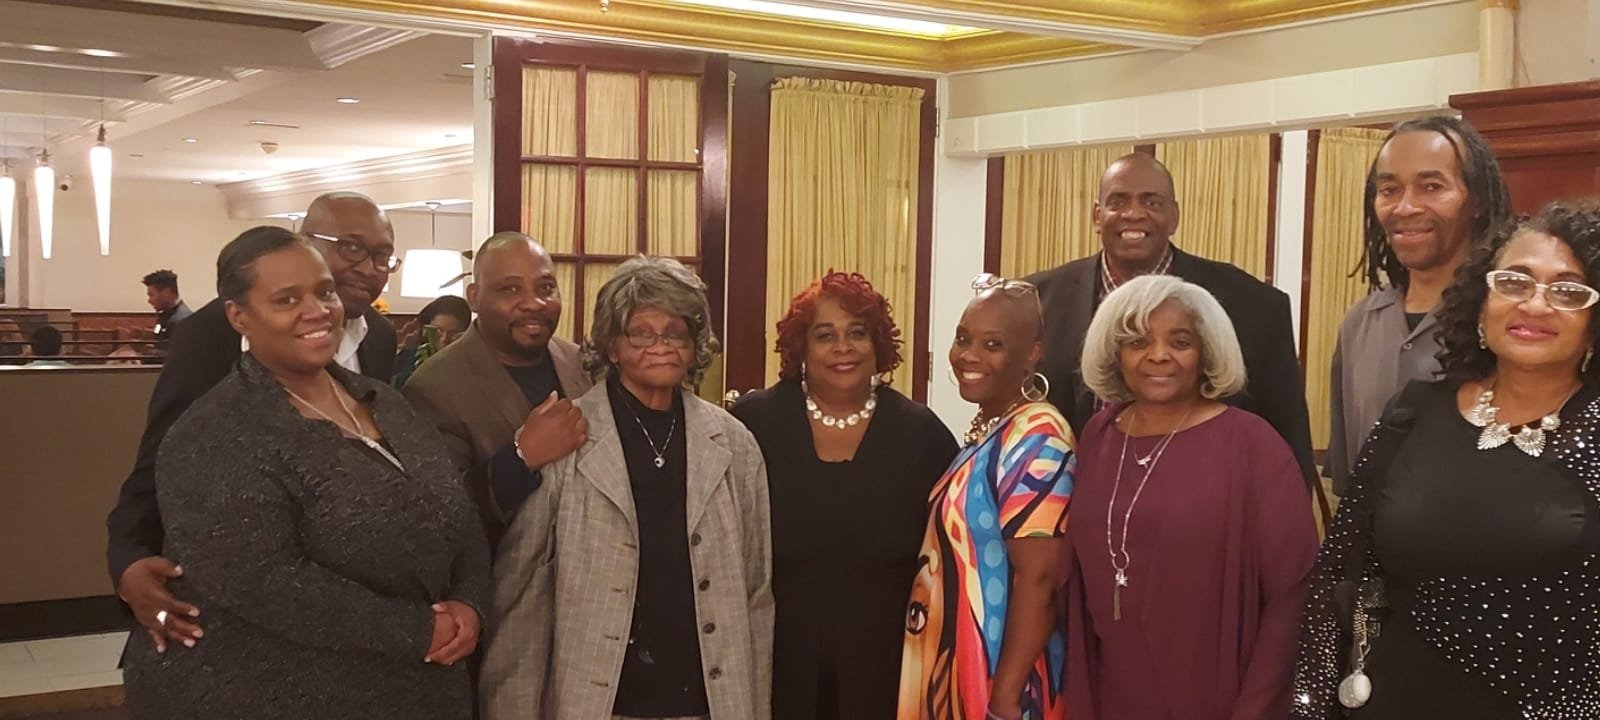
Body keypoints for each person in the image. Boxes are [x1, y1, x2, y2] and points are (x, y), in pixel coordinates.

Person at [119, 226, 489, 719]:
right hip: (268, 690)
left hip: (415, 682)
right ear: (239, 316)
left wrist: (469, 601)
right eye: (286, 299)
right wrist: (418, 629)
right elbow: (261, 580)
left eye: (324, 292)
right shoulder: (215, 431)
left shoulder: (383, 400)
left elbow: (454, 506)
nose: (317, 310)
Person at [1295, 202, 1600, 720]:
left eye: (1568, 291)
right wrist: (1311, 706)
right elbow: (1340, 572)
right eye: (1514, 282)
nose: (1535, 304)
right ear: (1481, 304)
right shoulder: (1413, 412)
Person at [105, 191, 401, 656]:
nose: (370, 269)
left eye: (383, 256)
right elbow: (158, 461)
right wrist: (129, 563)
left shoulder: (379, 338)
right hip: (232, 594)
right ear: (304, 241)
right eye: (351, 248)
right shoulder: (212, 334)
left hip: (346, 599)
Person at [481, 256, 773, 720]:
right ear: (612, 347)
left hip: (709, 701)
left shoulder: (734, 442)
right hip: (596, 702)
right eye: (641, 333)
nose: (661, 346)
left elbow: (757, 592)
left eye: (676, 332)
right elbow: (523, 597)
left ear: (694, 345)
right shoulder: (567, 433)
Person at [1066, 275, 1317, 720]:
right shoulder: (1099, 435)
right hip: (1112, 689)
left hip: (1216, 693)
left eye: (1180, 341)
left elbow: (1292, 594)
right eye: (1138, 341)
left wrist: (1256, 709)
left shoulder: (1253, 445)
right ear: (1115, 353)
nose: (1158, 355)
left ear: (1206, 352)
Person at [730, 271, 957, 720]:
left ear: (878, 345)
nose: (843, 347)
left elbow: (948, 558)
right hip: (775, 666)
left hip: (886, 669)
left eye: (857, 333)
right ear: (801, 348)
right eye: (824, 335)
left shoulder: (922, 434)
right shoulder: (753, 425)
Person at [1027, 153, 1315, 486]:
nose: (1134, 213)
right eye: (1118, 202)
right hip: (1068, 507)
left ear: (1174, 216)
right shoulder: (1037, 302)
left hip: (1205, 507)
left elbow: (1289, 447)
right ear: (1096, 215)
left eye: (1151, 202)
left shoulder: (1255, 306)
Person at [899, 273, 1073, 720]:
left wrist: (1005, 698)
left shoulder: (1038, 437)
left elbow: (1040, 579)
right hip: (962, 669)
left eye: (992, 344)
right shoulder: (995, 428)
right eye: (963, 339)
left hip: (1001, 681)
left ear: (1032, 352)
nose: (969, 356)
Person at [1326, 116, 1512, 493]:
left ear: (1476, 200)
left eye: (1431, 187)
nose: (1405, 207)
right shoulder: (1360, 323)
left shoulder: (1508, 319)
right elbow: (1350, 481)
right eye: (1389, 190)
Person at [403, 233, 593, 547]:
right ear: (474, 297)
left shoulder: (581, 364)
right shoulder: (433, 388)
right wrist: (521, 457)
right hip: (501, 570)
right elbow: (437, 516)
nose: (534, 303)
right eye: (510, 289)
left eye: (546, 288)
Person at [392, 294, 472, 388]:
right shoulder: (409, 357)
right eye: (438, 331)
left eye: (453, 333)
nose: (444, 339)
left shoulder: (471, 364)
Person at [143, 269, 192, 352]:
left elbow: (180, 354)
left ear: (166, 293)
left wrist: (151, 352)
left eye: (152, 295)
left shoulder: (182, 321)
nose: (149, 300)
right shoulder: (165, 316)